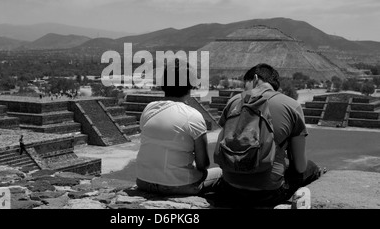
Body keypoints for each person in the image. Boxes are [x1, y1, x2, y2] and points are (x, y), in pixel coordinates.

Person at [212, 63, 325, 207]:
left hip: (230, 187)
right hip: (268, 194)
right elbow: (300, 166)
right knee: (311, 168)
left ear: (255, 78)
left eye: (245, 84)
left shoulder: (234, 101)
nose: (244, 89)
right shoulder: (291, 105)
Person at [136, 59, 222, 196]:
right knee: (222, 173)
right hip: (177, 186)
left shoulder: (149, 109)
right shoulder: (193, 116)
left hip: (143, 181)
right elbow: (203, 164)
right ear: (190, 86)